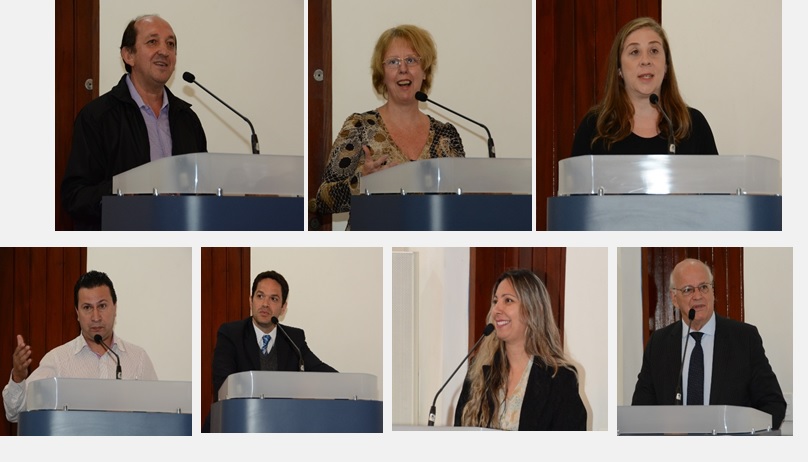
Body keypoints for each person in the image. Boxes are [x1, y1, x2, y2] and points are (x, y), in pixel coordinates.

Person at [61, 14, 207, 230]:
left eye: (170, 44)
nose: (164, 51)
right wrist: (123, 193)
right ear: (128, 55)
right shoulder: (98, 116)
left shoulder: (187, 119)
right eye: (152, 42)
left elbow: (203, 188)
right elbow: (75, 196)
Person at [315, 24, 465, 220]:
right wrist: (362, 182)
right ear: (382, 74)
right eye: (393, 62)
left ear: (425, 71)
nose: (403, 69)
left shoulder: (446, 135)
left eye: (411, 60)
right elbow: (322, 200)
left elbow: (463, 201)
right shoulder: (359, 127)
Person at [631, 258, 786, 429]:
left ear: (713, 291)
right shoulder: (659, 343)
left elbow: (773, 405)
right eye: (688, 290)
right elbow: (640, 411)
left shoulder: (744, 339)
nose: (698, 296)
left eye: (704, 287)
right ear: (674, 298)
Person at [3, 271, 158, 422]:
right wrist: (18, 377)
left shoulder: (138, 359)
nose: (96, 317)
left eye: (102, 306)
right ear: (77, 312)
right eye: (87, 308)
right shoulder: (57, 360)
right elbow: (14, 413)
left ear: (115, 307)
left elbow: (158, 416)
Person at [454, 269, 586, 430]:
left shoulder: (560, 378)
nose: (496, 310)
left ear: (533, 310)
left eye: (508, 300)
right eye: (495, 301)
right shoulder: (478, 371)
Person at [571, 17, 718, 156]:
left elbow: (714, 175)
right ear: (619, 68)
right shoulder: (594, 127)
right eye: (635, 52)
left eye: (654, 51)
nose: (645, 60)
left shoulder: (693, 125)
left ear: (666, 66)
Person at [211, 270, 337, 400]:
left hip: (282, 412)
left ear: (283, 308)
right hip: (240, 411)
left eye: (273, 299)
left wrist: (346, 385)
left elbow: (322, 373)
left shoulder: (293, 339)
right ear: (250, 301)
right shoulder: (231, 334)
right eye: (260, 296)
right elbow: (223, 386)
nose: (265, 304)